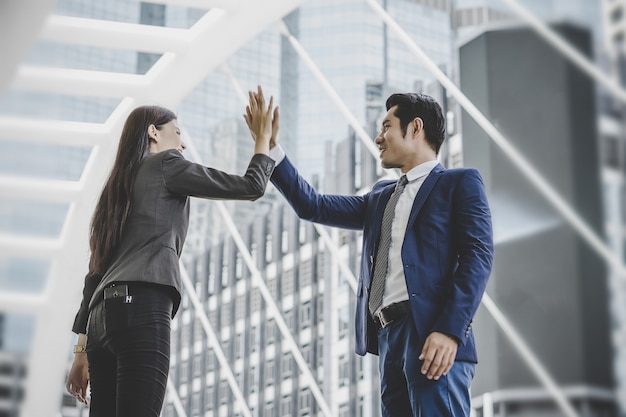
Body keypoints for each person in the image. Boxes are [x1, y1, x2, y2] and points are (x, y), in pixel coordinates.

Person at [245, 89, 493, 416]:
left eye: (386, 126)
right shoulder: (379, 197)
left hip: (432, 332)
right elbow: (312, 205)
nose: (378, 138)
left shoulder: (458, 184)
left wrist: (450, 330)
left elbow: (478, 257)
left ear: (415, 128)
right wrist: (270, 147)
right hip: (388, 338)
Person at [65, 87, 276, 417]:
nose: (183, 144)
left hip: (100, 322)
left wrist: (80, 350)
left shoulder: (114, 189)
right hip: (141, 305)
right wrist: (263, 140)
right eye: (177, 133)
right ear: (153, 132)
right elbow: (251, 186)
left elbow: (95, 272)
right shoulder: (167, 163)